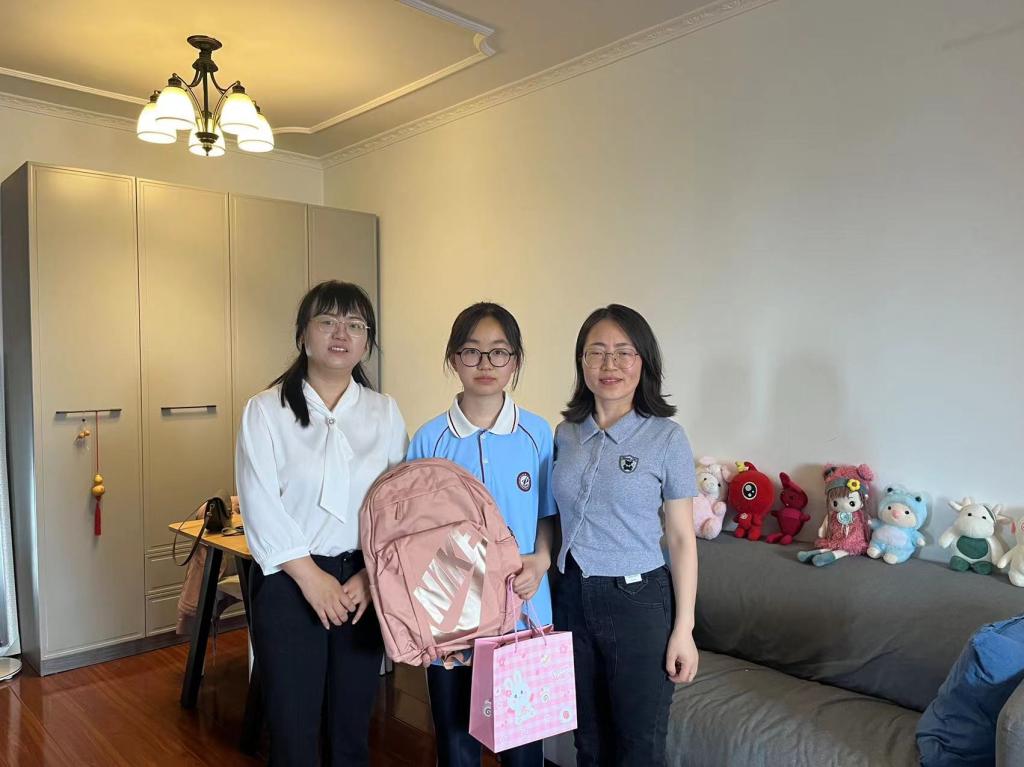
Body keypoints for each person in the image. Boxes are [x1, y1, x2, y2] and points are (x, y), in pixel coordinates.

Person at [235, 280, 408, 765]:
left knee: (351, 732)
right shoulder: (266, 411)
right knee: (292, 734)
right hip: (290, 583)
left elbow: (398, 504)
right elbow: (259, 502)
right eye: (327, 321)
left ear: (367, 341)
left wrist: (371, 576)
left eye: (355, 325)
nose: (341, 333)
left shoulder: (384, 412)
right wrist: (311, 578)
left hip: (362, 587)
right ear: (303, 335)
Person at [407, 302, 556, 767]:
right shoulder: (429, 439)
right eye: (471, 351)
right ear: (454, 359)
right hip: (451, 611)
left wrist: (541, 560)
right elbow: (413, 534)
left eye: (499, 352)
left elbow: (548, 514)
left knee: (523, 746)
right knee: (456, 741)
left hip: (524, 607)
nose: (485, 364)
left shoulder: (537, 434)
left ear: (515, 360)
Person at [552, 304, 699, 767]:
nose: (609, 364)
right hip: (569, 594)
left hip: (637, 601)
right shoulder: (565, 433)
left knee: (638, 747)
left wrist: (684, 629)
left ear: (644, 362)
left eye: (623, 352)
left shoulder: (667, 438)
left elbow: (681, 538)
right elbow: (551, 517)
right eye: (596, 352)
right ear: (581, 362)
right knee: (588, 742)